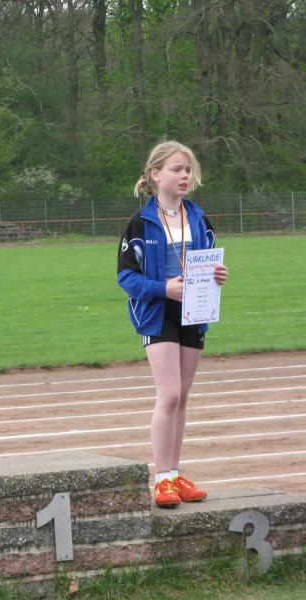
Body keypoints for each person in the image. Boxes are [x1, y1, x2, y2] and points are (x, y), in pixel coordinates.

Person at [117, 140, 228, 509]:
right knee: (168, 395)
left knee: (182, 397)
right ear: (155, 174)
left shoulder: (199, 218)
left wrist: (217, 274)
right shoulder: (140, 223)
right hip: (157, 314)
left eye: (188, 170)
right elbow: (126, 278)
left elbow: (207, 261)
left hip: (193, 313)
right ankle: (162, 478)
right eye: (177, 169)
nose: (185, 176)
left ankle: (175, 474)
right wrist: (163, 288)